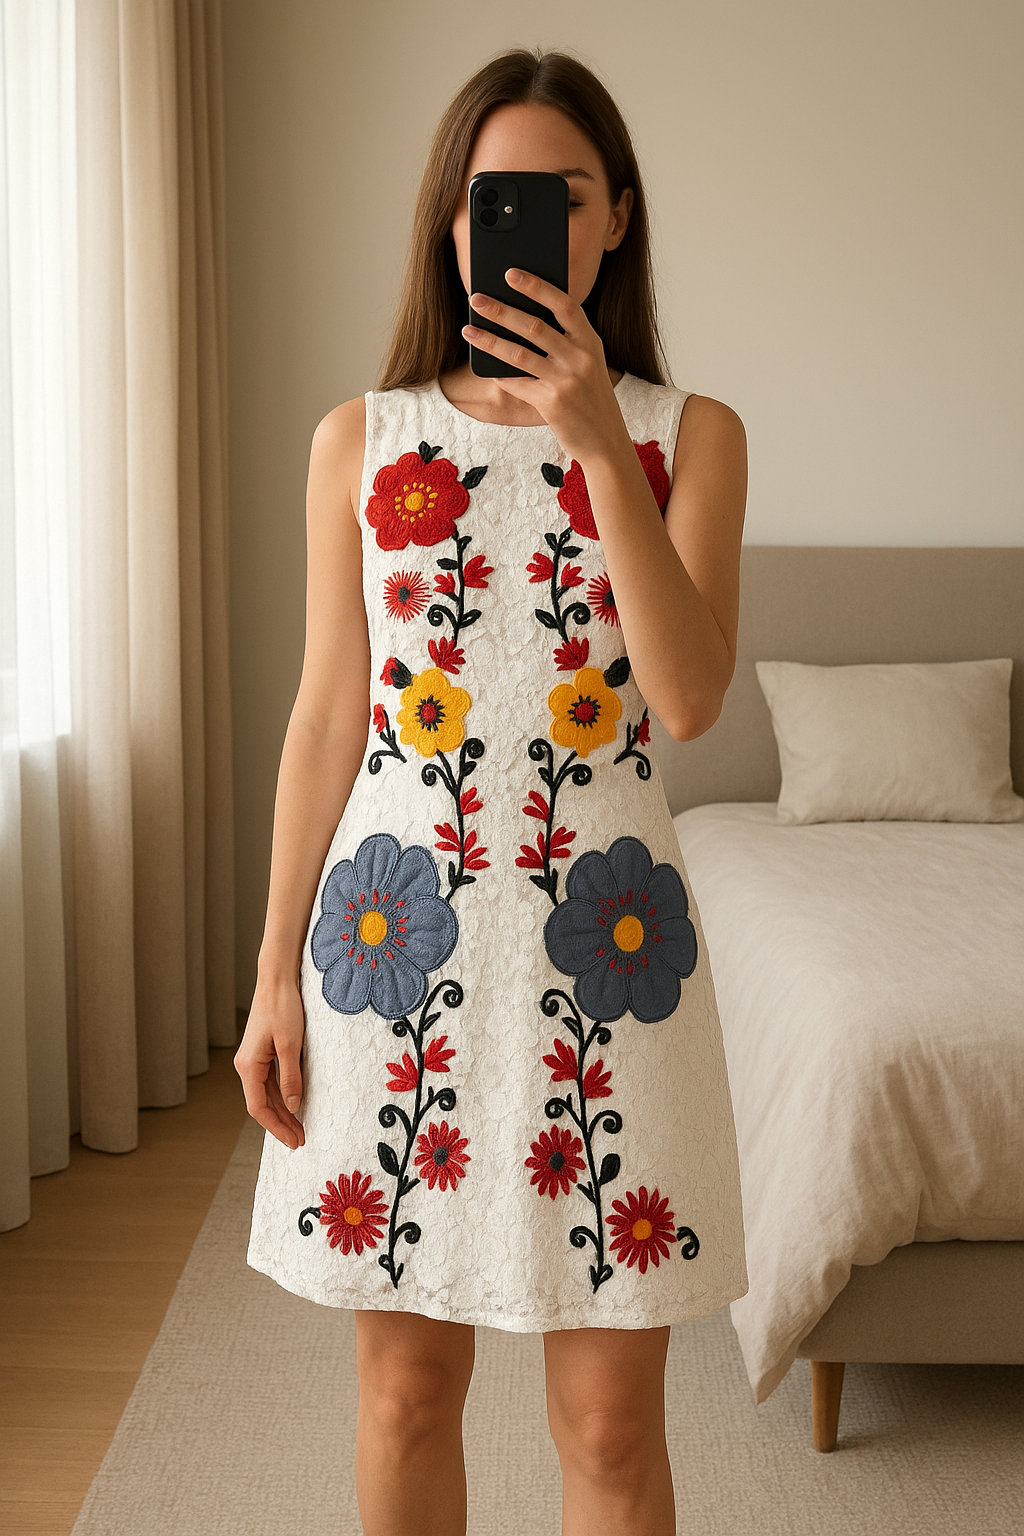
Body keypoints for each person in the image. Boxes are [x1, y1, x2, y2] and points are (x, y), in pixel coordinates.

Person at [235, 46, 748, 1536]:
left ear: (613, 222)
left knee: (609, 1426)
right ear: (451, 229)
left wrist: (594, 438)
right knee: (402, 1393)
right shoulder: (362, 443)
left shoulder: (688, 437)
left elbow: (692, 697)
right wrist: (275, 975)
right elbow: (330, 718)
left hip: (613, 957)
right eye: (484, 200)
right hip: (398, 961)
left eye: (554, 196)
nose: (513, 224)